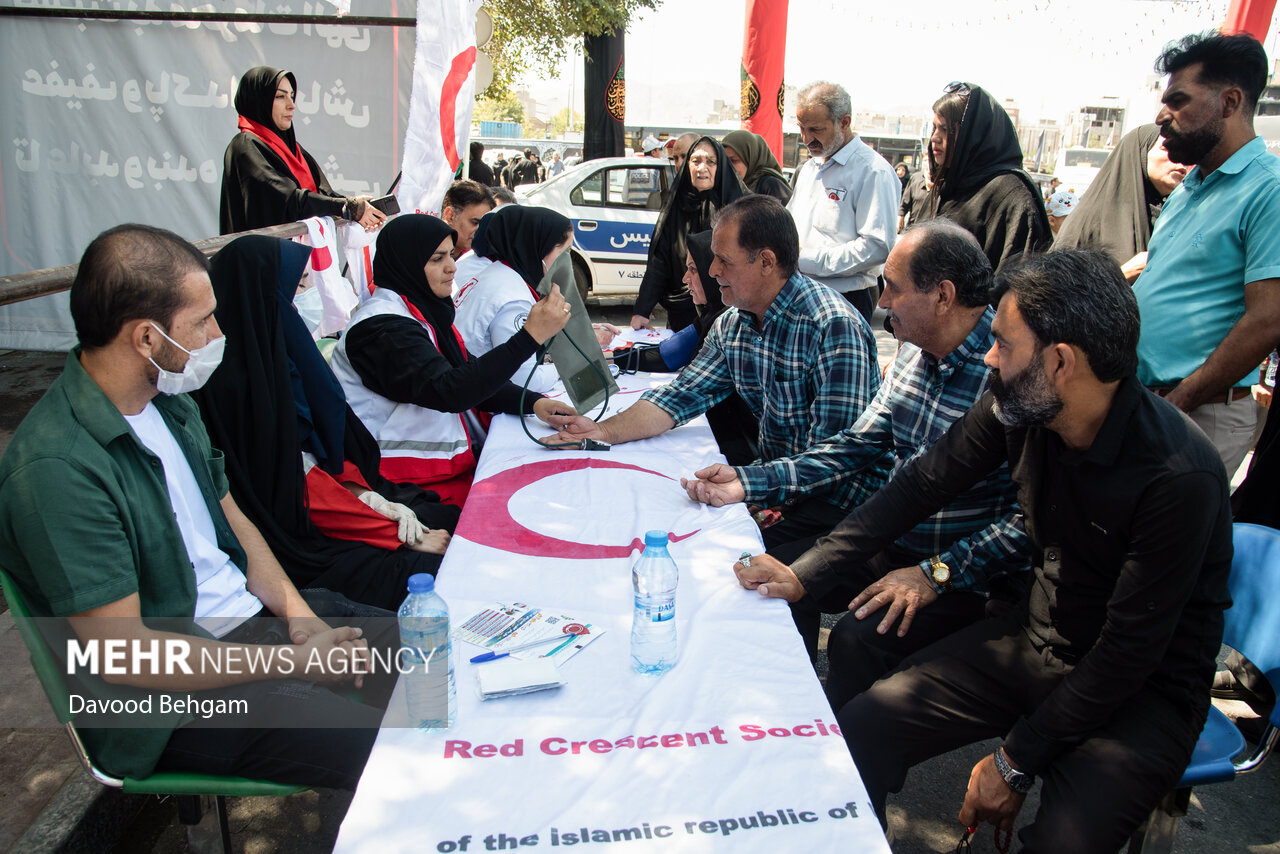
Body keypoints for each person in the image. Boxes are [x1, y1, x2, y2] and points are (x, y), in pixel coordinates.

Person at [735, 249, 1231, 851]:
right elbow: (919, 485)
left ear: (1060, 361)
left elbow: (1127, 655)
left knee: (1061, 842)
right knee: (864, 726)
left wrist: (1013, 761)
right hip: (1033, 643)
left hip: (1139, 694)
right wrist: (805, 573)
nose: (988, 358)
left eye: (1001, 343)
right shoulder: (1021, 407)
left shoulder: (1177, 477)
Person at [0, 223, 401, 789]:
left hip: (250, 633)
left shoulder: (167, 400)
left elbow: (232, 520)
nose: (219, 332)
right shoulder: (57, 470)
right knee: (406, 748)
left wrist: (302, 621)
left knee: (441, 663)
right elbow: (128, 658)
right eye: (203, 321)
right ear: (145, 337)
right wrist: (294, 661)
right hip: (166, 707)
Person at [706, 221, 1028, 678]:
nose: (880, 304)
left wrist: (939, 572)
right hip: (891, 539)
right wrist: (750, 481)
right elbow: (855, 446)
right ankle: (785, 700)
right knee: (768, 578)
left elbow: (1026, 520)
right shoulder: (915, 354)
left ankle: (831, 732)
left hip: (964, 576)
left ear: (943, 295)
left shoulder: (1006, 376)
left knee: (856, 640)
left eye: (892, 289)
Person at [549, 195, 883, 550]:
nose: (711, 272)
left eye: (723, 260)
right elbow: (679, 397)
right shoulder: (733, 323)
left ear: (767, 262)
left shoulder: (832, 327)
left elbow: (838, 459)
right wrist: (602, 431)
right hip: (781, 487)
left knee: (727, 565)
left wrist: (750, 484)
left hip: (842, 504)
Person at [193, 234, 458, 611]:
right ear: (265, 291)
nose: (307, 293)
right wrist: (388, 531)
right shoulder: (239, 384)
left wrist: (370, 499)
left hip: (337, 497)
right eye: (299, 284)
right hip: (298, 538)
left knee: (446, 517)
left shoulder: (275, 349)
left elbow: (327, 449)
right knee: (436, 566)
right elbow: (289, 484)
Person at [330, 215, 577, 507]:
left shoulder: (421, 310)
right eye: (437, 259)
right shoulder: (382, 328)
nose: (452, 267)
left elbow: (468, 372)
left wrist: (534, 403)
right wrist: (529, 337)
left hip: (436, 472)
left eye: (451, 255)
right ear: (406, 261)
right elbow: (450, 391)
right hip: (397, 484)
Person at [1133, 31, 1280, 478]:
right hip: (1152, 402)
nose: (1162, 115)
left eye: (1178, 101)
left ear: (1230, 102)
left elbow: (1269, 318)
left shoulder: (1268, 189)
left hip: (1201, 414)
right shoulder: (1188, 188)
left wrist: (1183, 398)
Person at [608, 230, 759, 466]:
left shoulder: (731, 321)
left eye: (693, 269)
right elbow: (677, 377)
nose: (684, 279)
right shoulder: (719, 320)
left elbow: (668, 361)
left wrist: (606, 359)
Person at [219, 66, 386, 235]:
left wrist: (359, 207)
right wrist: (346, 206)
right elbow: (288, 200)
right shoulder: (246, 145)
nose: (291, 105)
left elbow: (321, 195)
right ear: (259, 100)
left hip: (298, 256)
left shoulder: (293, 149)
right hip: (263, 258)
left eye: (292, 96)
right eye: (280, 96)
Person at [786, 81, 900, 324]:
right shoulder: (809, 169)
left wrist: (807, 259)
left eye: (815, 129)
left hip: (846, 299)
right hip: (799, 293)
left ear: (844, 122)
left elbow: (877, 247)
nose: (806, 139)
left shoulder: (873, 171)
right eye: (801, 128)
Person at [927, 82, 1052, 271]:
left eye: (945, 130)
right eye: (934, 128)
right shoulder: (951, 186)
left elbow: (1018, 285)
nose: (935, 138)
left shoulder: (1011, 195)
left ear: (973, 135)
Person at [452, 205, 575, 391]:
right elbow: (525, 381)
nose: (567, 262)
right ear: (538, 247)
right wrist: (563, 369)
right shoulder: (514, 299)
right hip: (479, 405)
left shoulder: (497, 272)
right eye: (564, 252)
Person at [631, 137, 747, 333]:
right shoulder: (676, 204)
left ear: (721, 166)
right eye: (696, 161)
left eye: (710, 161)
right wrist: (642, 310)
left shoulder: (740, 206)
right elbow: (660, 261)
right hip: (681, 312)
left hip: (726, 313)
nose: (702, 168)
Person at [1051, 125, 1187, 281]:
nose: (1179, 158)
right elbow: (1054, 291)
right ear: (1140, 153)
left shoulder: (1176, 218)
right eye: (1167, 148)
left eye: (1184, 151)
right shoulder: (1089, 219)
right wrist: (1122, 275)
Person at [722, 130, 792, 203]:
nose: (728, 166)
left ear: (751, 159)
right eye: (725, 161)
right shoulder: (726, 187)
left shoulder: (770, 186)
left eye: (734, 160)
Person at [441, 179, 496, 260]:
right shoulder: (424, 254)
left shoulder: (480, 259)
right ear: (450, 215)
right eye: (475, 223)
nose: (480, 230)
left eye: (485, 224)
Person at [897, 162, 930, 232]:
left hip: (931, 230)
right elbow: (905, 203)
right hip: (913, 227)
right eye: (927, 169)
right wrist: (900, 217)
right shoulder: (916, 179)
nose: (929, 173)